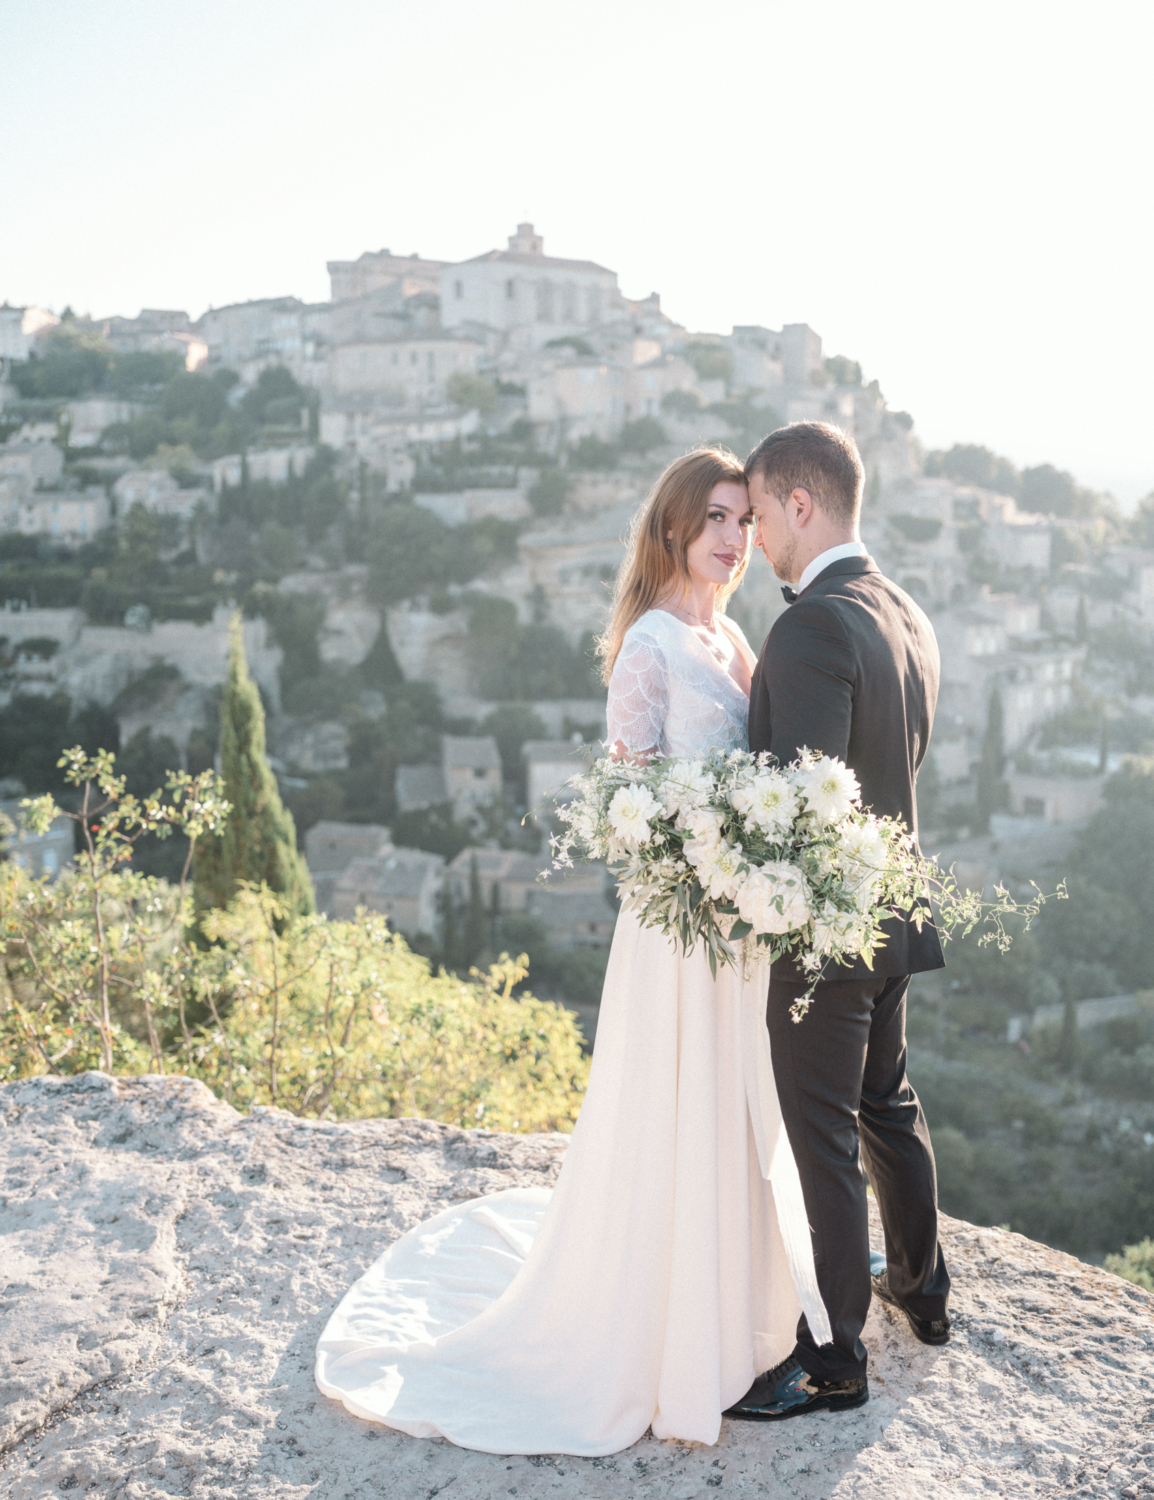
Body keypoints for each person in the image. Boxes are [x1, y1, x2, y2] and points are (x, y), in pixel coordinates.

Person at [314, 447, 829, 1455]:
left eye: (742, 521)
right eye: (713, 520)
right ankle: (672, 1342)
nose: (732, 540)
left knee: (730, 1111)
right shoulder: (649, 646)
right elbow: (625, 804)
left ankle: (738, 1318)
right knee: (678, 1113)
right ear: (673, 530)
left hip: (732, 930)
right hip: (678, 931)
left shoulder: (727, 637)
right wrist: (703, 862)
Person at [725, 421, 951, 1424]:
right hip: (892, 913)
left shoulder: (811, 626)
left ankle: (831, 1362)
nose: (755, 539)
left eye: (762, 514)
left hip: (823, 932)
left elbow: (799, 799)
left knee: (820, 1132)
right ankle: (921, 1289)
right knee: (883, 1105)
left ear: (799, 505)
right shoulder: (902, 612)